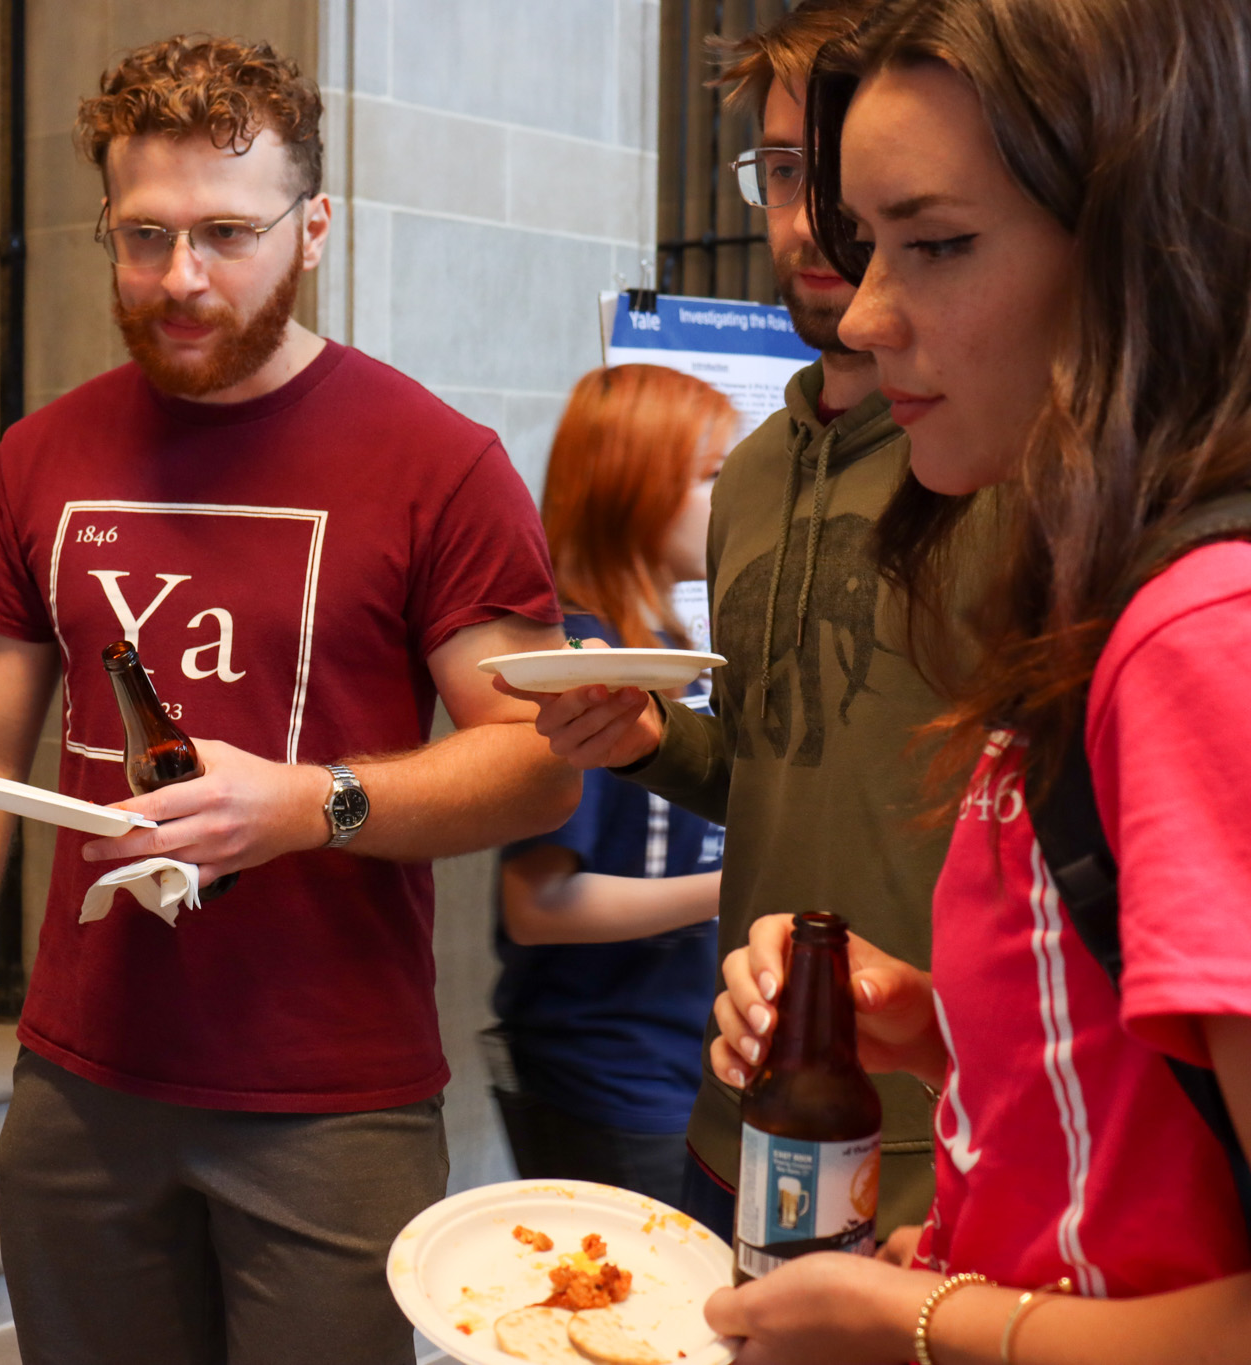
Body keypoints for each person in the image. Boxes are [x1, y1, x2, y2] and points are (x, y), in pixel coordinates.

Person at [0, 34, 578, 1365]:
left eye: (225, 233)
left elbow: (538, 762)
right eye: (145, 236)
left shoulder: (436, 461)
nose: (180, 278)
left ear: (312, 227)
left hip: (331, 1098)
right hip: (83, 1077)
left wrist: (315, 804)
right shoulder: (42, 456)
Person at [700, 0, 1251, 1359]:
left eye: (937, 245)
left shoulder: (1198, 633)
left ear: (1146, 247)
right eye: (868, 246)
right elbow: (1148, 1135)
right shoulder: (1093, 579)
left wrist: (928, 1317)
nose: (874, 314)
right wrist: (956, 1036)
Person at [510, 0, 965, 1243]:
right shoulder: (756, 469)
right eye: (778, 169)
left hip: (939, 1138)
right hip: (728, 1111)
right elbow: (778, 771)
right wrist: (646, 739)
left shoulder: (997, 455)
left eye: (845, 174)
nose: (811, 214)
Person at [489, 364, 733, 1206]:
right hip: (612, 1072)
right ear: (637, 488)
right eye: (709, 475)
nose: (730, 497)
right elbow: (538, 903)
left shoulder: (664, 642)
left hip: (686, 1056)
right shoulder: (582, 662)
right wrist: (739, 887)